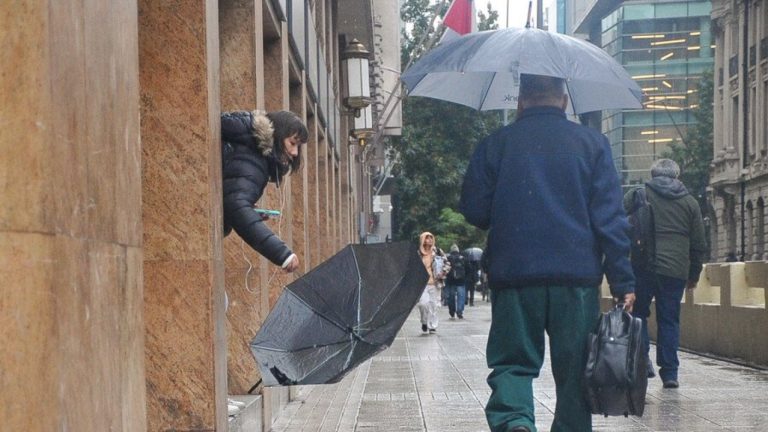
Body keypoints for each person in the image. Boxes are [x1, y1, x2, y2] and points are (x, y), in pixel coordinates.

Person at [459, 74, 636, 432]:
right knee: (575, 369)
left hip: (515, 275)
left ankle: (515, 422)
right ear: (564, 100)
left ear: (521, 99)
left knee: (512, 361)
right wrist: (622, 280)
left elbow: (474, 210)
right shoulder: (592, 144)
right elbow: (610, 220)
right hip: (576, 278)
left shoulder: (496, 145)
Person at [623, 158, 706, 389]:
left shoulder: (638, 194)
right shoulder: (690, 202)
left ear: (652, 175)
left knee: (638, 316)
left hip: (642, 266)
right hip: (675, 271)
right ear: (677, 176)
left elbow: (619, 221)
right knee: (669, 320)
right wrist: (694, 274)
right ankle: (670, 373)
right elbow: (699, 243)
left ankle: (642, 362)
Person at [221, 110, 306, 273]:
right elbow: (235, 206)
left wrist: (251, 212)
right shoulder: (253, 161)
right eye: (292, 143)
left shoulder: (253, 152)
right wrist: (283, 255)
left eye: (298, 146)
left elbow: (232, 196)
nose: (295, 153)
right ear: (278, 135)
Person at [416, 232, 446, 333]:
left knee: (434, 305)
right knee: (423, 304)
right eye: (427, 238)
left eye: (431, 238)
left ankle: (432, 326)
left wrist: (443, 272)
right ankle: (424, 322)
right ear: (422, 240)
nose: (429, 240)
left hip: (435, 283)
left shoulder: (437, 251)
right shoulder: (418, 253)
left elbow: (447, 263)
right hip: (422, 284)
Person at [444, 244, 467, 319]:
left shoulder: (448, 258)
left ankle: (452, 311)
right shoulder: (462, 258)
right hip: (461, 281)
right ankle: (459, 311)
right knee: (461, 297)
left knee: (451, 297)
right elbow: (468, 268)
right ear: (458, 250)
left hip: (450, 281)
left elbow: (445, 268)